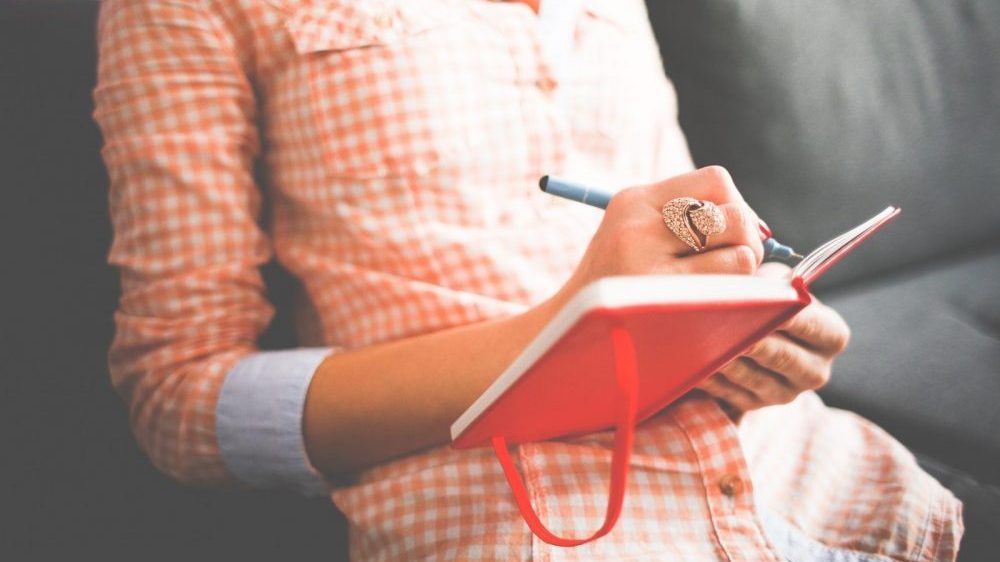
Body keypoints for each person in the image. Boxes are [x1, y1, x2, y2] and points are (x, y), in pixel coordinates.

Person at [93, 0, 962, 559]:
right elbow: (177, 400)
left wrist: (742, 319)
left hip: (824, 487)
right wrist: (566, 332)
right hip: (532, 523)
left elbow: (676, 225)